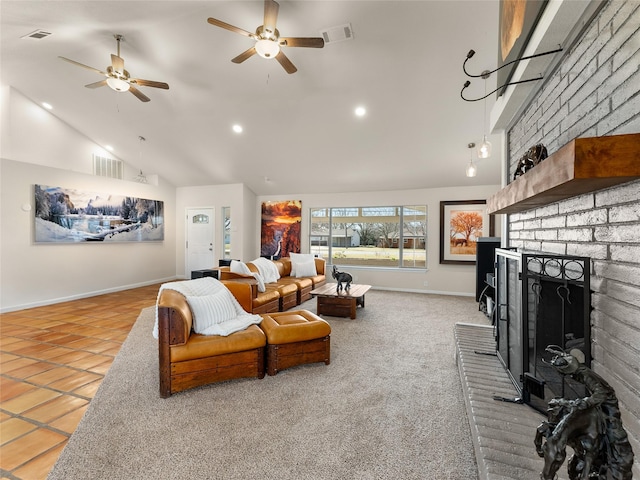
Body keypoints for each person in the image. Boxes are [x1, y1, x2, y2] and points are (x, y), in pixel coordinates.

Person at [546, 346, 634, 480]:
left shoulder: (585, 375)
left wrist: (580, 403)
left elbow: (600, 394)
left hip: (607, 406)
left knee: (615, 435)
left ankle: (616, 461)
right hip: (597, 405)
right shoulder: (577, 372)